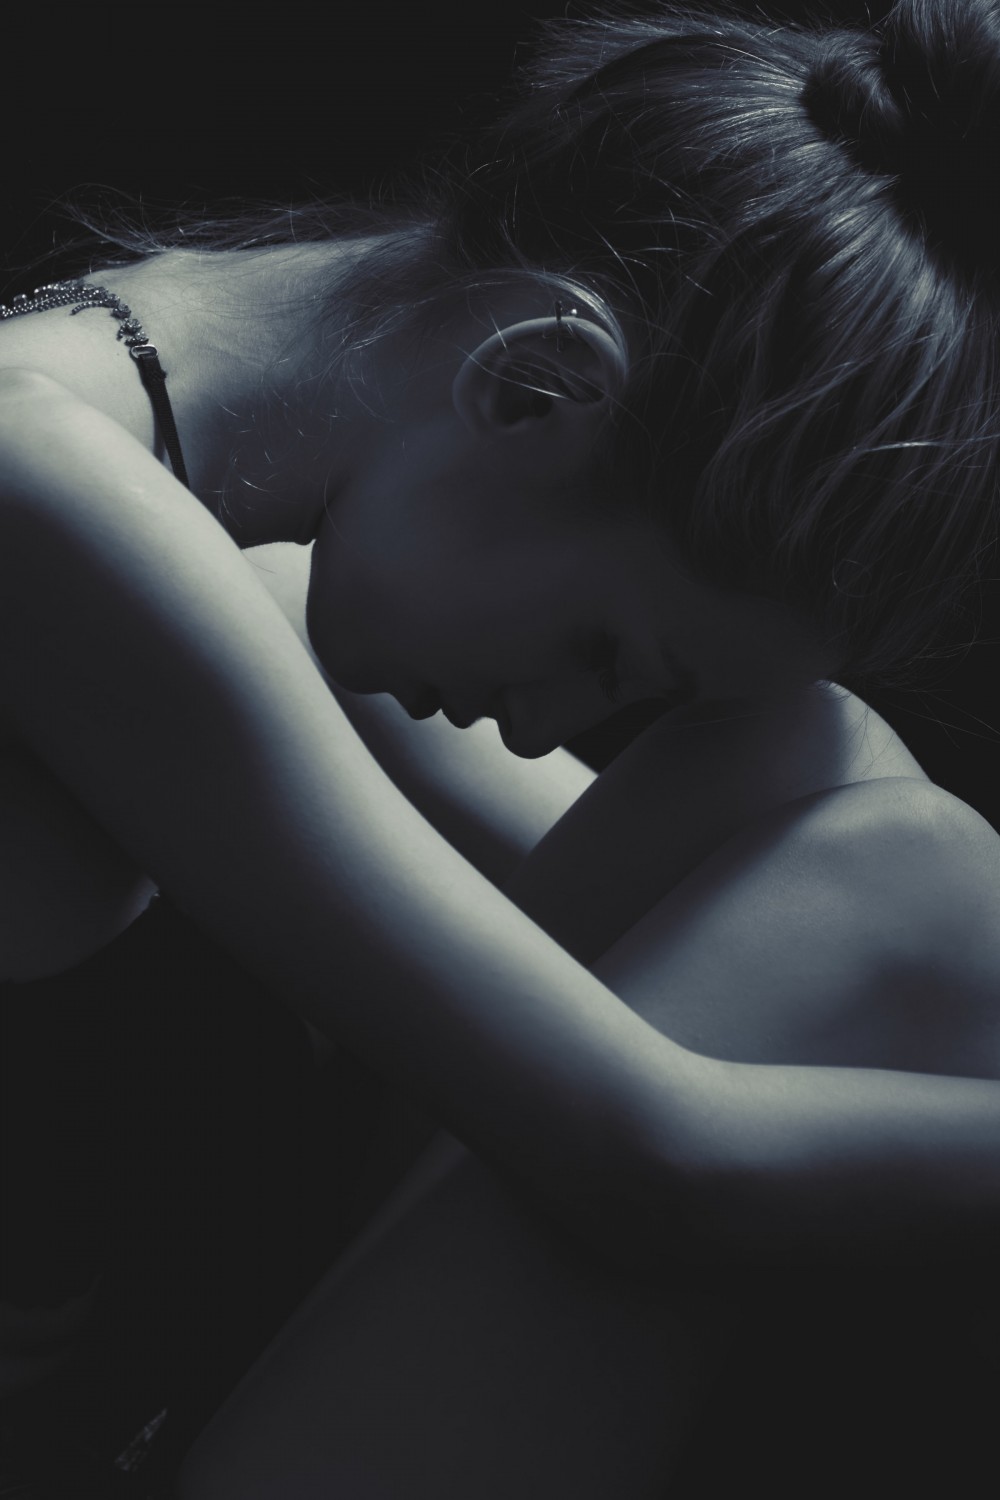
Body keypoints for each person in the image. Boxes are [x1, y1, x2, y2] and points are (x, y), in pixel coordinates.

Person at [2, 0, 1000, 1492]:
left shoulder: (232, 532)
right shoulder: (37, 492)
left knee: (814, 766)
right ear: (532, 385)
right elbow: (648, 1159)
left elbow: (699, 947)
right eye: (603, 656)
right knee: (904, 908)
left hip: (177, 1379)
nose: (545, 727)